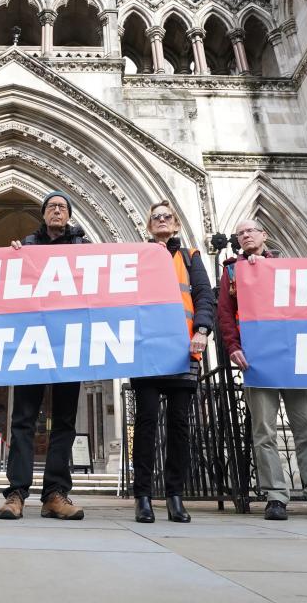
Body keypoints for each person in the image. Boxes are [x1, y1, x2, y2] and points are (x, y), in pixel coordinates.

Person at [218, 219, 307, 522]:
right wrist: (233, 346)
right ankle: (275, 496)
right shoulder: (232, 270)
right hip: (257, 359)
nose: (246, 235)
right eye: (240, 233)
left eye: (251, 230)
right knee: (264, 431)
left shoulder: (287, 268)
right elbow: (225, 312)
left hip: (291, 358)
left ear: (264, 234)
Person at [0, 191, 90, 521]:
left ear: (69, 216)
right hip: (31, 342)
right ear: (44, 214)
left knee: (64, 420)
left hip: (69, 342)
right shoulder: (26, 248)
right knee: (23, 419)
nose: (56, 211)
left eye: (62, 208)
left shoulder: (84, 249)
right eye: (51, 207)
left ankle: (55, 493)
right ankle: (16, 493)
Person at [130, 201, 214, 524]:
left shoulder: (191, 256)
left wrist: (203, 330)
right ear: (149, 226)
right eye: (156, 217)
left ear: (176, 224)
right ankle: (143, 496)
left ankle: (175, 496)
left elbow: (205, 295)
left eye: (167, 216)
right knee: (147, 422)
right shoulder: (138, 257)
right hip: (148, 352)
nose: (162, 220)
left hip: (183, 349)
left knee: (179, 425)